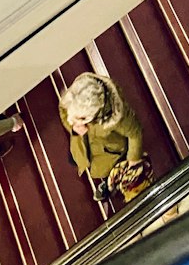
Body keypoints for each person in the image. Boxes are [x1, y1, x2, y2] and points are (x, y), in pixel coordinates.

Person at [59, 72, 153, 202]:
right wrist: (74, 129)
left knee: (112, 174)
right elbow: (64, 112)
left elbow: (135, 133)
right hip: (82, 143)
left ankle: (109, 187)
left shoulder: (118, 117)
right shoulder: (73, 99)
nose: (71, 121)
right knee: (74, 159)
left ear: (94, 112)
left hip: (110, 153)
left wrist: (133, 161)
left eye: (79, 118)